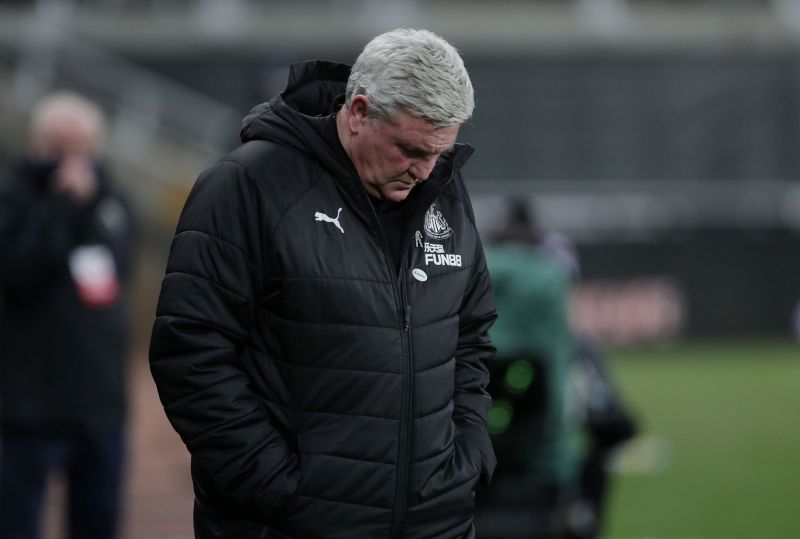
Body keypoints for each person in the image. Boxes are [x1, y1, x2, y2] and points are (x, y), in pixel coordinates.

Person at [149, 28, 498, 539]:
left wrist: (466, 451)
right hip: (292, 522)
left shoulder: (441, 188)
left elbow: (471, 332)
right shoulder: (248, 185)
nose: (424, 171)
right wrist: (275, 485)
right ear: (358, 112)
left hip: (435, 522)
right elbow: (191, 350)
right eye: (409, 149)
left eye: (438, 153)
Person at [0, 92, 136, 539]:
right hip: (27, 406)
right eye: (61, 148)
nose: (74, 163)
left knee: (98, 520)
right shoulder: (13, 198)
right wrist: (63, 207)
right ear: (37, 144)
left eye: (83, 149)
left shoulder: (114, 202)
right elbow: (18, 271)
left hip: (100, 405)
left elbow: (121, 273)